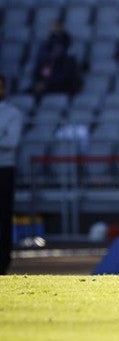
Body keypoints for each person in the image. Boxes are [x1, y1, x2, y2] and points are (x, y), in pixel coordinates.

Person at [0, 73, 24, 275]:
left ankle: (3, 261)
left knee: (4, 216)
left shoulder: (11, 113)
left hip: (4, 169)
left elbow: (11, 143)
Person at [31, 20, 81, 97]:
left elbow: (67, 73)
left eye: (57, 27)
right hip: (48, 81)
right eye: (53, 28)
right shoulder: (46, 47)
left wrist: (47, 83)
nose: (54, 30)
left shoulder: (68, 49)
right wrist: (39, 82)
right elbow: (40, 67)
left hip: (62, 85)